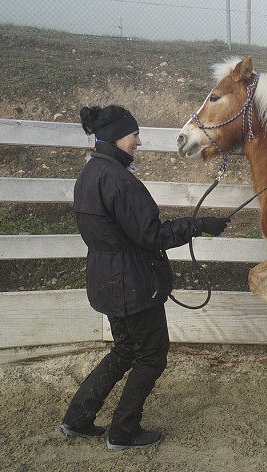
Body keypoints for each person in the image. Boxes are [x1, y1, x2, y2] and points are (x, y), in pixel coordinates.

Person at [59, 104, 228, 450]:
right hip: (132, 283)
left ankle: (77, 418)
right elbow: (151, 235)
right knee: (151, 355)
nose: (139, 141)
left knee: (123, 350)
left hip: (107, 278)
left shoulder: (90, 174)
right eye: (134, 134)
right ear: (119, 137)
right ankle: (124, 431)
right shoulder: (119, 180)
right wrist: (200, 226)